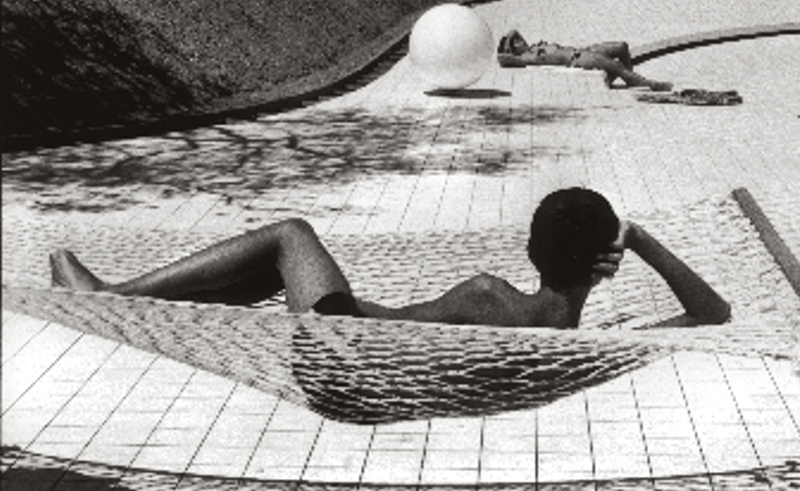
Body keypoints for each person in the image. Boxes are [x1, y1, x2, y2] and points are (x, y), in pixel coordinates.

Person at [49, 188, 730, 330]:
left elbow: (384, 330)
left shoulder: (494, 296)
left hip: (346, 348)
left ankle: (110, 300)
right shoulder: (577, 344)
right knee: (260, 276)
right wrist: (635, 240)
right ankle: (133, 314)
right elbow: (711, 312)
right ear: (600, 263)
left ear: (535, 249)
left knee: (290, 234)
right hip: (358, 360)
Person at [497, 30, 672, 91]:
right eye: (516, 43)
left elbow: (514, 30)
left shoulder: (531, 48)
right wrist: (506, 46)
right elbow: (503, 59)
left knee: (622, 46)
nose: (520, 40)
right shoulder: (526, 58)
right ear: (514, 50)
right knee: (617, 65)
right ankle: (648, 83)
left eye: (519, 39)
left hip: (582, 51)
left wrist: (509, 37)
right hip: (578, 60)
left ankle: (630, 77)